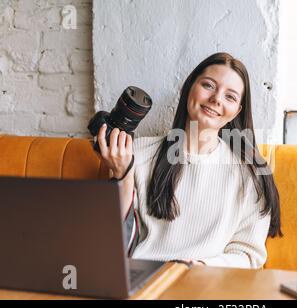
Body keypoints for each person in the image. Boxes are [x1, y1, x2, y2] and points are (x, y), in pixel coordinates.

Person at [96, 52, 282, 269]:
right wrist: (123, 176)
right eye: (209, 85)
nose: (216, 99)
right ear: (189, 88)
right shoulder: (136, 152)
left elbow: (249, 255)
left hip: (205, 286)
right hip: (143, 281)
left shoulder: (250, 174)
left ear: (236, 112)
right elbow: (113, 242)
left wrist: (202, 266)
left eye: (230, 96)